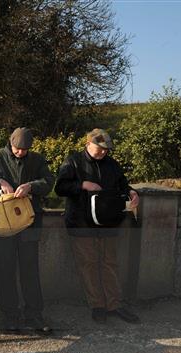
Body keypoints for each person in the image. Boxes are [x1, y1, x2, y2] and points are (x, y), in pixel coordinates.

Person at [0, 127, 55, 332]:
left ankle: (34, 314)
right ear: (11, 143)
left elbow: (49, 182)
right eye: (17, 149)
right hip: (3, 223)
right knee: (5, 270)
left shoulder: (37, 159)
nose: (20, 152)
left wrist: (31, 186)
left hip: (30, 222)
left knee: (30, 270)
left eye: (24, 150)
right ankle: (10, 315)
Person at [54, 128, 140, 324]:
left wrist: (132, 192)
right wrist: (82, 185)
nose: (103, 152)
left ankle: (114, 305)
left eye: (106, 149)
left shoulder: (112, 164)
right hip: (81, 222)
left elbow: (123, 185)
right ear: (88, 144)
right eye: (99, 148)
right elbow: (60, 188)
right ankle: (97, 306)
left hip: (109, 221)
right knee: (89, 265)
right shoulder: (73, 161)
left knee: (110, 263)